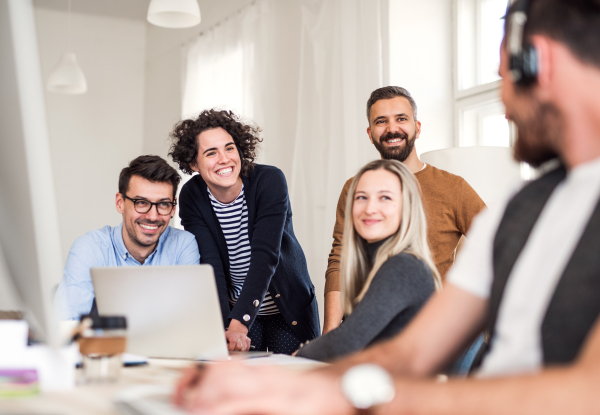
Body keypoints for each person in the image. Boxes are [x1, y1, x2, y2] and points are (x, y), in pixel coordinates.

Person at [173, 0, 600, 414]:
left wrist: (347, 398)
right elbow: (411, 352)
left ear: (537, 60)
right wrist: (283, 383)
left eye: (504, 76)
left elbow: (587, 394)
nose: (504, 105)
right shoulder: (520, 210)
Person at [323, 86, 486, 335]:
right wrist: (331, 330)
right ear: (370, 133)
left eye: (401, 118)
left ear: (417, 127)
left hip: (428, 330)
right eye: (381, 121)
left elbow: (495, 243)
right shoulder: (356, 188)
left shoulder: (454, 188)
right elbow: (340, 259)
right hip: (364, 326)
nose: (391, 129)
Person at [169, 109, 320, 354]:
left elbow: (265, 256)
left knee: (291, 382)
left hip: (287, 309)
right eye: (211, 152)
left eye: (229, 148)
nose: (224, 159)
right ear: (194, 163)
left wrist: (239, 323)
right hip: (235, 311)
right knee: (241, 384)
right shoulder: (192, 196)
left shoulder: (269, 180)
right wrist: (224, 326)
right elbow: (210, 265)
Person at [295, 159, 440, 362]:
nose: (370, 208)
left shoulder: (403, 266)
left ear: (406, 207)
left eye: (385, 198)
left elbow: (345, 343)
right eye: (361, 197)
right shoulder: (376, 264)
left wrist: (299, 356)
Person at [54, 155, 200, 321]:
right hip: (105, 347)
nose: (153, 216)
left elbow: (188, 322)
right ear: (120, 203)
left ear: (173, 208)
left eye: (163, 204)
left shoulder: (183, 246)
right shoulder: (90, 248)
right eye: (141, 203)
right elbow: (68, 326)